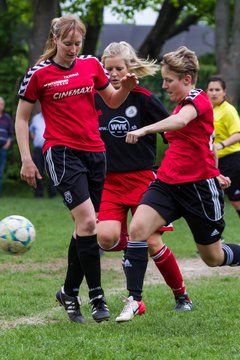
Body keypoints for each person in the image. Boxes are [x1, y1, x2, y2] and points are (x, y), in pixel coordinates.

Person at [15, 14, 138, 324]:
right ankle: (96, 296)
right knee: (88, 223)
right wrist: (27, 159)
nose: (72, 49)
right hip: (62, 153)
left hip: (96, 153)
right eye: (67, 43)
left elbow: (111, 101)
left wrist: (126, 87)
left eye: (77, 43)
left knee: (84, 228)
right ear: (55, 40)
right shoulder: (39, 74)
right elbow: (22, 118)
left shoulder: (91, 66)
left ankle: (69, 291)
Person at [124, 46, 240, 303]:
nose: (164, 86)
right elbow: (205, 144)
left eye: (168, 80)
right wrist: (216, 170)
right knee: (138, 228)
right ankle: (133, 301)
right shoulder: (180, 104)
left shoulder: (197, 99)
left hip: (198, 189)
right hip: (168, 182)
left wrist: (144, 130)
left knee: (213, 258)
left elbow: (180, 123)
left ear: (186, 80)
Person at [95, 41, 193, 323]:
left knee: (151, 241)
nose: (112, 73)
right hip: (109, 182)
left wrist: (177, 169)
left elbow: (173, 133)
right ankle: (133, 251)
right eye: (108, 68)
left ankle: (181, 295)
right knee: (105, 237)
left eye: (118, 68)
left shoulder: (145, 98)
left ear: (130, 69)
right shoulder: (96, 98)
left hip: (142, 181)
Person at [207, 75, 240, 218]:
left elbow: (238, 134)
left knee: (236, 201)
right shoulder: (208, 110)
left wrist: (221, 145)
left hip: (231, 159)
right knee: (212, 198)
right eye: (211, 89)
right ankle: (216, 237)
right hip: (214, 163)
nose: (214, 93)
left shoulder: (228, 110)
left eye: (217, 90)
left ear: (224, 92)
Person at [29, 111, 57, 198]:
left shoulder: (54, 115)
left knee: (52, 171)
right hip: (38, 149)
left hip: (52, 149)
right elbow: (31, 131)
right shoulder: (36, 118)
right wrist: (37, 140)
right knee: (38, 171)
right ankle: (38, 194)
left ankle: (52, 194)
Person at [0, 97, 14, 197]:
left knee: (0, 172)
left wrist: (7, 144)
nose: (1, 106)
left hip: (2, 149)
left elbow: (10, 134)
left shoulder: (7, 117)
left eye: (2, 104)